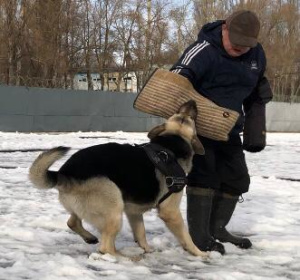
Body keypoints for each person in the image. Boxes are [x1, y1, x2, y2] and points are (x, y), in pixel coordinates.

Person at [170, 10, 273, 254]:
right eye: (235, 42)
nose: (240, 48)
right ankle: (199, 236)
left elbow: (257, 90)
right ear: (225, 28)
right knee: (205, 177)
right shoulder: (204, 49)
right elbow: (175, 79)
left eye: (245, 45)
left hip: (228, 129)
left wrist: (255, 129)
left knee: (238, 179)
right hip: (200, 129)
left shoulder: (256, 54)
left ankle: (217, 228)